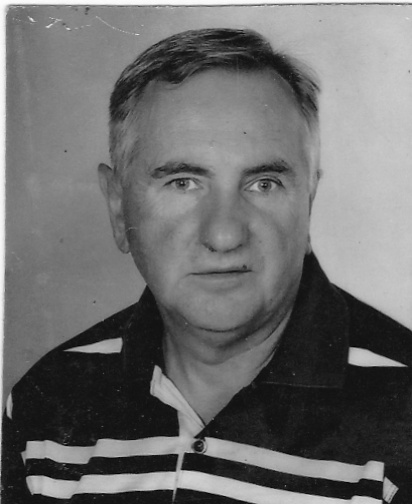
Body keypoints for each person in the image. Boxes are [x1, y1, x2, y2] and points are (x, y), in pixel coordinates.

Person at [2, 27, 412, 504]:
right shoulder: (47, 401)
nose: (224, 235)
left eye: (263, 183)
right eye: (183, 182)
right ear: (117, 207)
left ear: (309, 201)